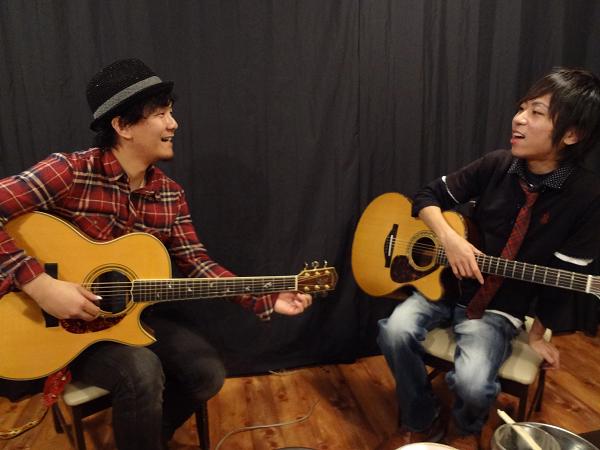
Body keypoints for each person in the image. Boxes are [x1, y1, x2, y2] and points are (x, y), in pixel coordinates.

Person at [0, 58, 312, 450]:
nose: (173, 124)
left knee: (207, 373)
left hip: (123, 322)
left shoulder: (169, 194)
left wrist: (266, 295)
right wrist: (42, 285)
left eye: (171, 112)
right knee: (141, 371)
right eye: (161, 114)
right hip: (60, 331)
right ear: (123, 125)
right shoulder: (70, 171)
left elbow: (197, 263)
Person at [376, 67, 600, 450]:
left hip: (500, 307)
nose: (518, 119)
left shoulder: (587, 195)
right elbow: (426, 196)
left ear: (572, 134)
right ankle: (421, 417)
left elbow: (568, 274)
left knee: (473, 383)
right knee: (393, 331)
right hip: (443, 287)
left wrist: (537, 334)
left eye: (536, 112)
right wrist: (450, 240)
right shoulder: (497, 164)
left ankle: (466, 428)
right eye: (522, 108)